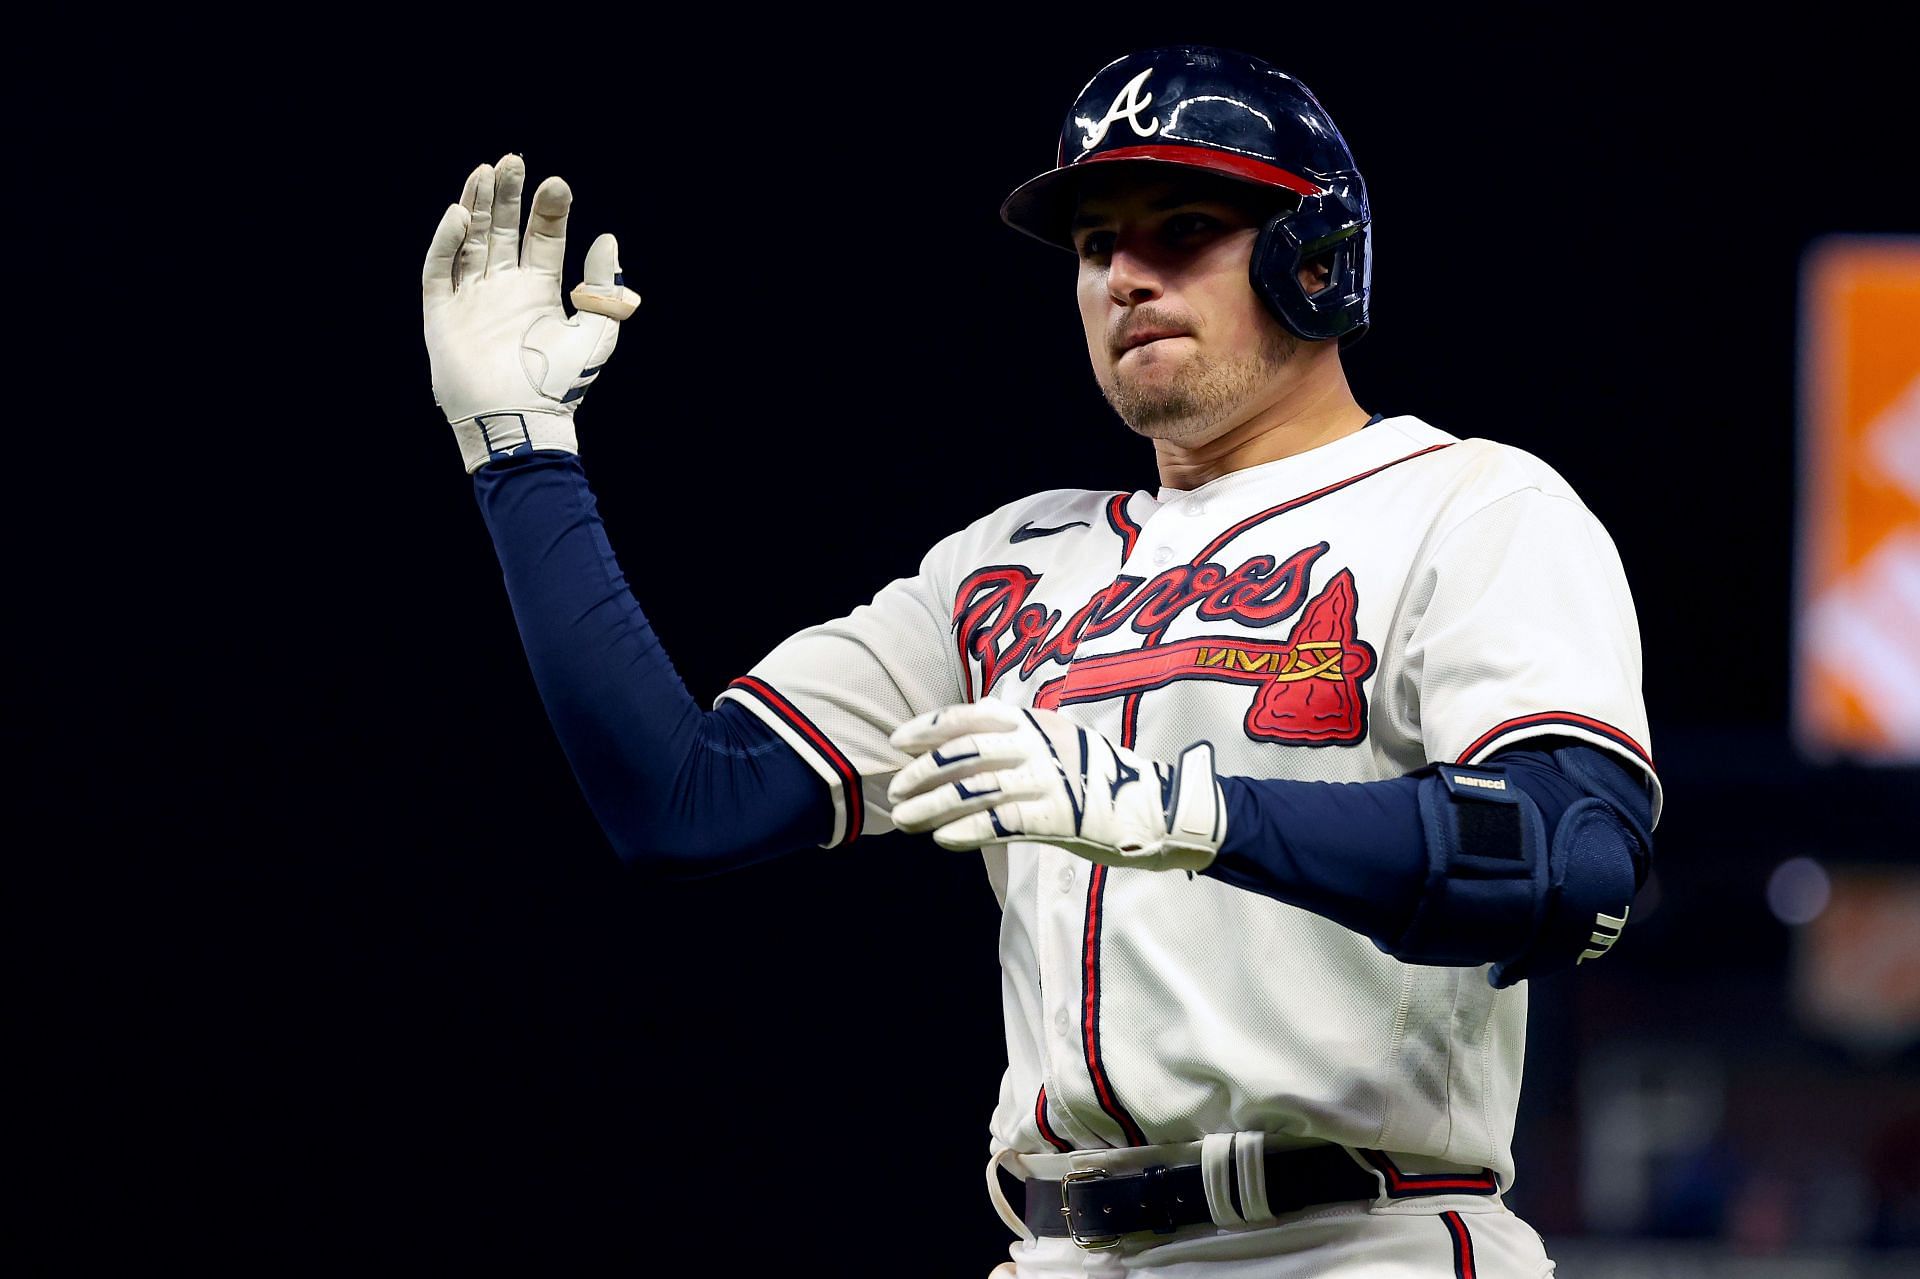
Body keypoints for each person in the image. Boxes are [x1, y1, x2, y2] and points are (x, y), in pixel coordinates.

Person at [421, 44, 1659, 1278]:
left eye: (1184, 227)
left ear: (1317, 258)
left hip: (1356, 1239)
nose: (1127, 275)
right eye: (1094, 244)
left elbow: (1574, 863)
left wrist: (1180, 809)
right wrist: (520, 452)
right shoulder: (1010, 560)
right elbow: (682, 799)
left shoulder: (1469, 504)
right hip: (1060, 1248)